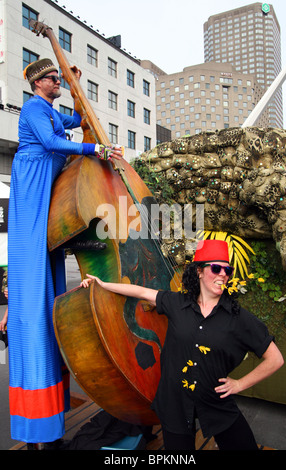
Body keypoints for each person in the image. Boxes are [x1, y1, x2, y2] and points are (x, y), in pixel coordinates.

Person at [7, 58, 122, 449]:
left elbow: (73, 121)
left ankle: (50, 422)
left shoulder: (51, 110)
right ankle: (36, 427)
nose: (57, 82)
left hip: (47, 185)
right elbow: (56, 143)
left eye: (58, 78)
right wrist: (97, 150)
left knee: (50, 276)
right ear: (40, 83)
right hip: (34, 184)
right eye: (55, 78)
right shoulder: (34, 108)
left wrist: (77, 86)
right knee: (35, 278)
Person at [80, 239, 284, 451]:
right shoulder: (177, 303)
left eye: (227, 270)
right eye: (216, 268)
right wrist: (102, 284)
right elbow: (140, 292)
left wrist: (240, 384)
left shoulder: (238, 317)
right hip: (175, 403)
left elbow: (276, 358)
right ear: (199, 271)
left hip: (215, 401)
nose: (223, 274)